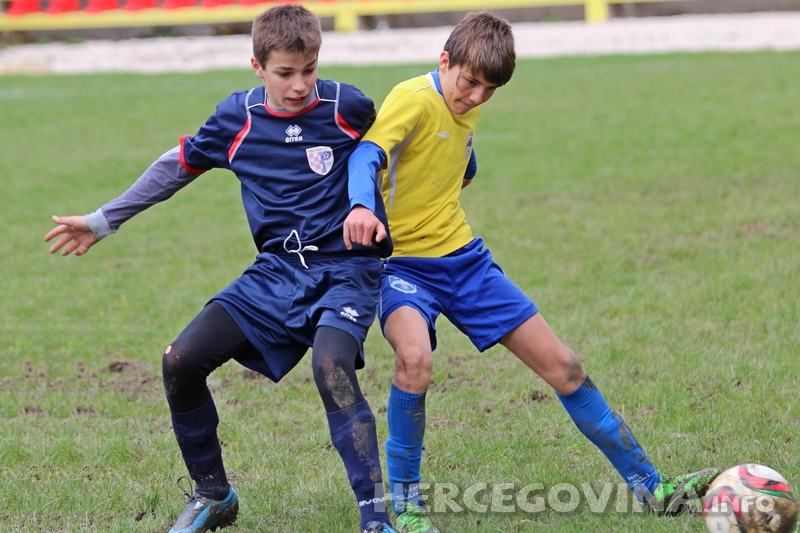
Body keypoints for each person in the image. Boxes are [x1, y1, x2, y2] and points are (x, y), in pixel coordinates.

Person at [347, 11, 719, 533]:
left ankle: (651, 487)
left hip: (465, 262)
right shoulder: (413, 97)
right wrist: (364, 207)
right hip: (401, 267)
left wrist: (453, 174)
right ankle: (404, 511)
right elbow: (366, 156)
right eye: (469, 82)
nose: (475, 97)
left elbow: (457, 160)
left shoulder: (466, 104)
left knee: (565, 367)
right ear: (445, 60)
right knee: (414, 360)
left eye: (489, 90)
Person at [44, 5, 398, 533]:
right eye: (285, 72)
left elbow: (399, 140)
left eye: (310, 69)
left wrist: (457, 164)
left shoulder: (347, 105)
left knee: (332, 368)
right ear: (257, 66)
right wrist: (103, 220)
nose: (300, 85)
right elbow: (177, 165)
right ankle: (214, 495)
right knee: (180, 361)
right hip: (275, 272)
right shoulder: (237, 119)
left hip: (347, 270)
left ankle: (376, 520)